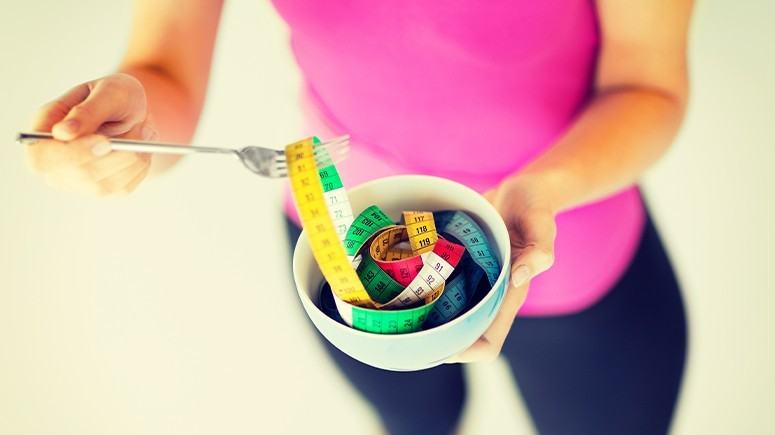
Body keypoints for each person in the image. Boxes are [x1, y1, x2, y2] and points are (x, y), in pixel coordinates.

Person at [24, 1, 693, 433]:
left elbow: (648, 87)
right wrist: (127, 131)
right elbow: (165, 69)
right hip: (340, 247)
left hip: (566, 233)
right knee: (412, 422)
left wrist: (541, 188)